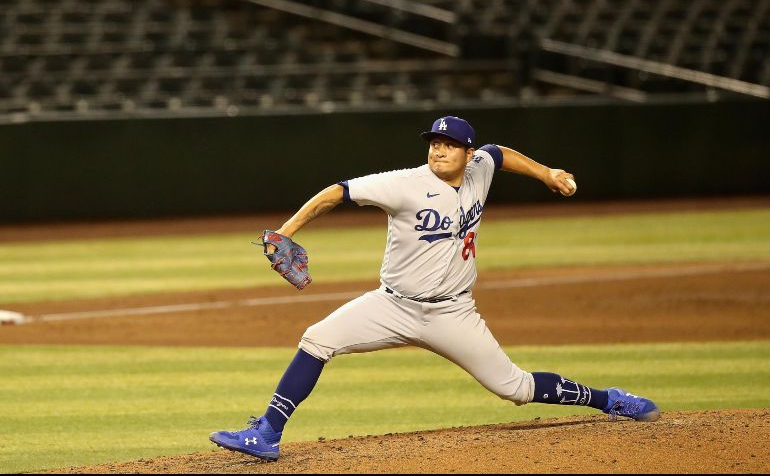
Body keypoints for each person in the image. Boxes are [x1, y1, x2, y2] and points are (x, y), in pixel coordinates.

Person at [209, 116, 660, 462]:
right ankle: (267, 432)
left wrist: (545, 174)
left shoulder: (480, 168)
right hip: (392, 305)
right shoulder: (404, 184)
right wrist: (287, 232)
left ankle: (610, 400)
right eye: (434, 144)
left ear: (466, 153)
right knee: (317, 339)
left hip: (453, 314)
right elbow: (336, 192)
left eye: (448, 146)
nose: (439, 151)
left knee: (515, 388)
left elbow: (498, 152)